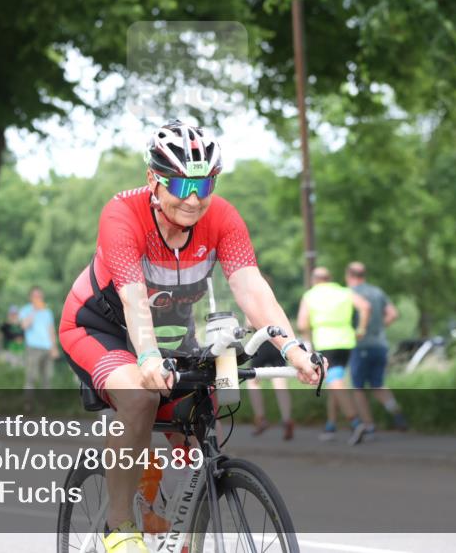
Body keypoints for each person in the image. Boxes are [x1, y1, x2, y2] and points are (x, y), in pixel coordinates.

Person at [58, 120, 323, 553]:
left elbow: (251, 287)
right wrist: (145, 357)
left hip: (169, 334)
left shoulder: (221, 217)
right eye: (181, 186)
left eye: (205, 184)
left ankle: (169, 518)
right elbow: (133, 299)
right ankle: (119, 527)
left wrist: (290, 347)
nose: (194, 198)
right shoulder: (122, 215)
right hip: (100, 327)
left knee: (201, 412)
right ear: (153, 180)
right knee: (141, 397)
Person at [298, 266, 369, 445]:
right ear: (329, 278)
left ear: (314, 279)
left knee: (335, 381)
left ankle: (356, 422)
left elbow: (302, 323)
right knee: (334, 380)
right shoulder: (344, 291)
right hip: (347, 341)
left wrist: (307, 341)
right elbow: (365, 306)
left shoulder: (310, 295)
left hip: (326, 342)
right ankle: (331, 425)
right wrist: (360, 329)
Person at [345, 262, 408, 436]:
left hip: (360, 345)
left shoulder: (349, 294)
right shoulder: (377, 292)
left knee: (357, 388)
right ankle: (395, 411)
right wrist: (380, 327)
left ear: (348, 275)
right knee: (378, 385)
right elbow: (393, 313)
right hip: (380, 344)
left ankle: (369, 425)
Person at [243, 306, 294, 440]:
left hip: (261, 344)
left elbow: (249, 325)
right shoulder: (274, 304)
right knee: (279, 381)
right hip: (278, 344)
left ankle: (260, 418)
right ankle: (287, 418)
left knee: (252, 380)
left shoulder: (250, 302)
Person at [21, 286, 58, 411]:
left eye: (40, 296)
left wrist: (54, 347)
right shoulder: (26, 310)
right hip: (33, 348)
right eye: (35, 296)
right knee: (31, 377)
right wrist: (34, 311)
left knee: (47, 378)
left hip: (47, 348)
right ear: (30, 297)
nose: (38, 298)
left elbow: (51, 330)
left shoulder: (47, 312)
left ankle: (45, 406)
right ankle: (28, 405)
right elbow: (24, 326)